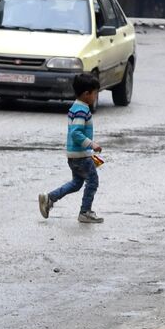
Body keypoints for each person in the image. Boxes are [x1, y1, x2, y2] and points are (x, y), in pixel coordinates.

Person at [38, 73, 105, 224]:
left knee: (76, 183)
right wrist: (91, 144)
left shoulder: (76, 107)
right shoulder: (82, 111)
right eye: (95, 93)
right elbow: (76, 133)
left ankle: (50, 198)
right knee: (93, 181)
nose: (96, 96)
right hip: (81, 155)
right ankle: (85, 212)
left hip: (74, 155)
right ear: (86, 94)